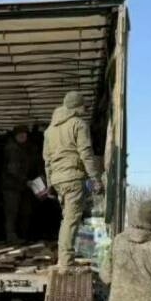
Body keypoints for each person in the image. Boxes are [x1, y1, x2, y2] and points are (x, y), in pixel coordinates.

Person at [42, 90, 103, 269]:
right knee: (71, 220)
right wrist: (95, 178)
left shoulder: (49, 131)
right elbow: (86, 153)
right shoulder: (79, 124)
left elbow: (47, 160)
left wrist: (50, 184)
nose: (85, 110)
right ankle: (66, 263)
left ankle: (65, 258)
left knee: (67, 219)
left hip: (59, 180)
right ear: (77, 107)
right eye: (83, 106)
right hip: (74, 178)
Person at [1, 126, 32, 244]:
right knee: (11, 212)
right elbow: (13, 170)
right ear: (15, 136)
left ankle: (15, 237)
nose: (23, 136)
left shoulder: (20, 148)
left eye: (25, 134)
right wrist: (26, 181)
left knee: (16, 211)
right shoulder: (13, 149)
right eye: (20, 134)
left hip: (16, 186)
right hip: (11, 186)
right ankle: (11, 237)